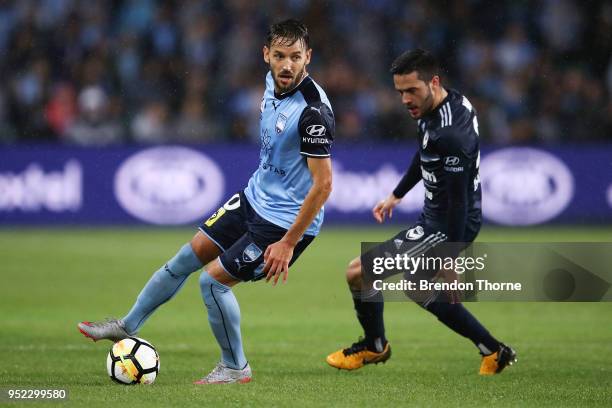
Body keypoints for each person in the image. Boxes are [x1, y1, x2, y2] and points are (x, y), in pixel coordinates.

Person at [78, 19, 334, 384]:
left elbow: (323, 187)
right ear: (266, 55)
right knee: (186, 257)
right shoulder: (271, 82)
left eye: (296, 57)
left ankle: (235, 367)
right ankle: (127, 325)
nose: (287, 65)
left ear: (308, 57)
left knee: (212, 283)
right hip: (253, 198)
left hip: (283, 224)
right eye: (279, 55)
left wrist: (288, 242)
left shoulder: (313, 113)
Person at [325, 49, 516, 375]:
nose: (405, 99)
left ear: (434, 82)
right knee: (418, 288)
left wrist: (450, 259)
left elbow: (458, 201)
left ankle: (374, 346)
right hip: (440, 215)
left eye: (411, 90)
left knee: (358, 272)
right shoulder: (441, 106)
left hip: (448, 222)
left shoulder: (452, 134)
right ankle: (494, 351)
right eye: (400, 91)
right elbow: (427, 152)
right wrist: (397, 194)